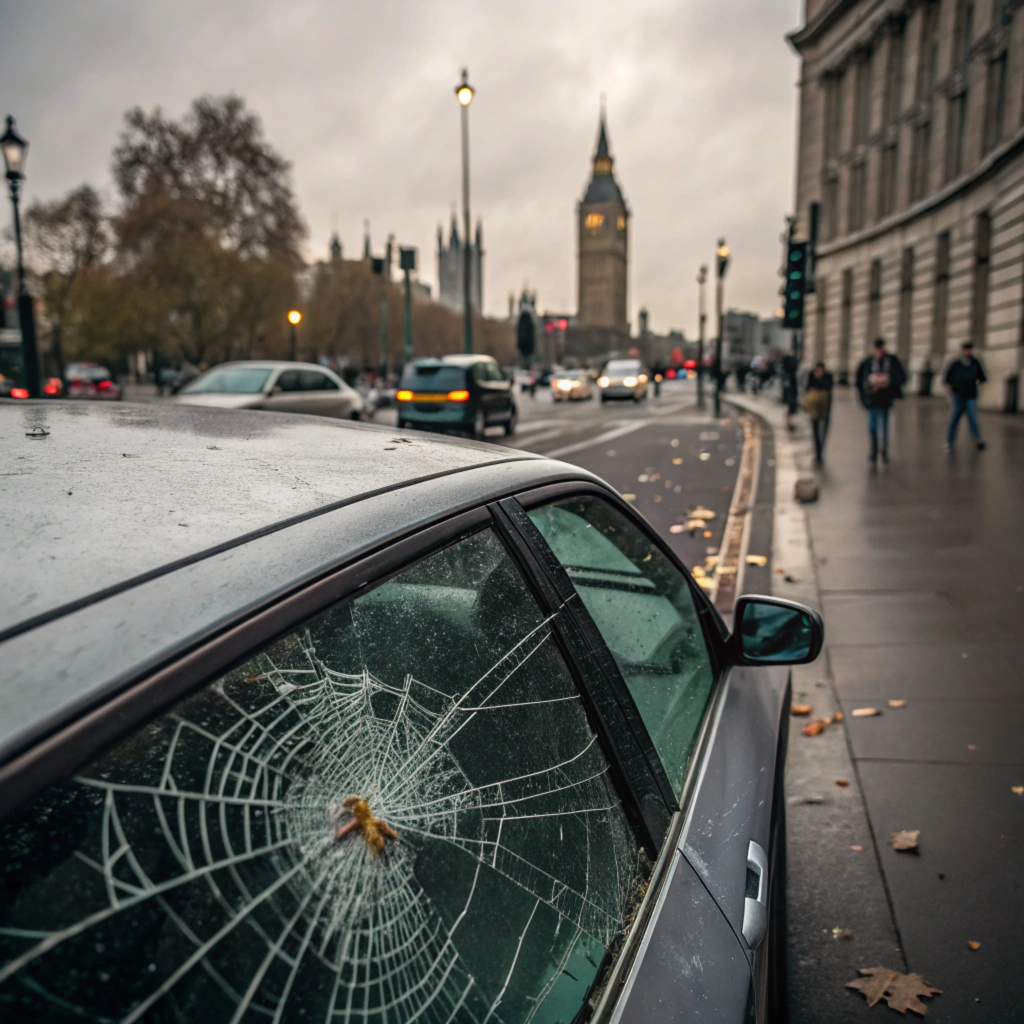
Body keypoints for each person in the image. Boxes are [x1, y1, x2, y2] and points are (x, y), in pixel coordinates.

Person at [855, 338, 907, 463]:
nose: (878, 351)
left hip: (884, 398)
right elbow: (859, 380)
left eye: (880, 348)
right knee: (872, 427)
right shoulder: (868, 362)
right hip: (872, 399)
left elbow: (901, 377)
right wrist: (869, 383)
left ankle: (884, 452)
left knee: (884, 426)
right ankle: (874, 450)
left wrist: (887, 380)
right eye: (876, 349)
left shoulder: (890, 361)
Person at [944, 342, 986, 451]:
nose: (968, 352)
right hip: (958, 395)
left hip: (971, 394)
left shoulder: (975, 363)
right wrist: (951, 390)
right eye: (966, 349)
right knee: (955, 418)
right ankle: (949, 441)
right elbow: (947, 379)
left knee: (972, 417)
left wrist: (975, 383)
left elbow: (982, 378)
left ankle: (977, 439)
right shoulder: (956, 364)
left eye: (970, 349)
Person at [803, 362, 834, 463]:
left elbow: (828, 388)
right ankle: (818, 452)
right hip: (815, 412)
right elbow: (807, 389)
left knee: (823, 432)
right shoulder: (812, 376)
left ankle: (821, 451)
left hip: (825, 411)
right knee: (815, 432)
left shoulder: (828, 377)